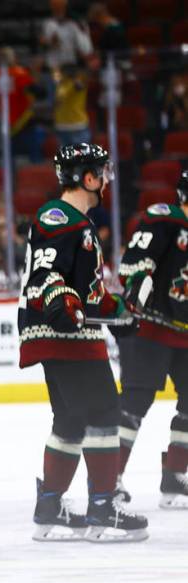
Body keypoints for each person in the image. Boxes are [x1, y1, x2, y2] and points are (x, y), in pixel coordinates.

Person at [18, 143, 148, 543]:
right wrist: (62, 301)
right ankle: (102, 509)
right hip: (64, 336)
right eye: (102, 172)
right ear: (88, 177)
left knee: (71, 421)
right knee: (106, 412)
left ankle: (50, 509)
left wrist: (120, 313)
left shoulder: (79, 222)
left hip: (65, 335)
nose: (106, 179)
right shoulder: (59, 217)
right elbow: (47, 274)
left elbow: (88, 294)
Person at [115, 172, 188, 509]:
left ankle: (174, 477)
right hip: (151, 328)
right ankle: (108, 479)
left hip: (184, 332)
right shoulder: (166, 217)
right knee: (134, 404)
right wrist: (137, 281)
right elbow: (135, 263)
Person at [0, 48, 45, 164]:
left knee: (19, 155)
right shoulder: (12, 73)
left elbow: (38, 91)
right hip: (16, 121)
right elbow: (39, 91)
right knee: (23, 154)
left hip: (19, 120)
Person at [40, 0, 92, 70]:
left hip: (71, 65)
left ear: (65, 5)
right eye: (53, 5)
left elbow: (86, 49)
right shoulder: (48, 23)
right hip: (53, 66)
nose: (56, 7)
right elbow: (43, 42)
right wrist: (49, 42)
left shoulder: (77, 23)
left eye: (59, 5)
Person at [52, 62, 90, 148]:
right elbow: (57, 102)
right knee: (65, 158)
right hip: (62, 126)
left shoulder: (78, 83)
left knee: (81, 157)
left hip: (77, 125)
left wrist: (73, 78)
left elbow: (80, 86)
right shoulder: (60, 85)